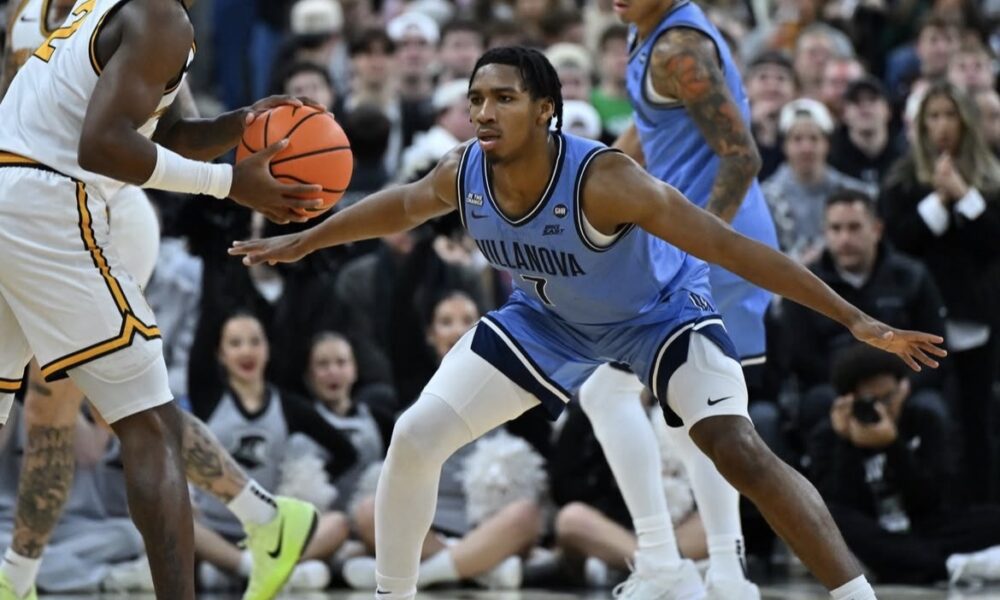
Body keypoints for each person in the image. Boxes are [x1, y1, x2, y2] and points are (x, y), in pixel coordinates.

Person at [231, 46, 946, 600]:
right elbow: (403, 204)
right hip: (549, 321)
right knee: (415, 436)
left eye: (503, 98)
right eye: (476, 98)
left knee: (735, 447)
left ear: (546, 109)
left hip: (661, 316)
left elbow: (731, 248)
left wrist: (857, 320)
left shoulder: (605, 180)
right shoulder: (463, 171)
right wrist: (308, 238)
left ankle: (852, 593)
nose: (484, 111)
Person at [0, 0, 329, 597]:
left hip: (19, 194)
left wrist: (244, 121)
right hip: (49, 202)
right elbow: (102, 146)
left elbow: (168, 133)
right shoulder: (159, 17)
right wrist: (229, 184)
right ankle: (260, 518)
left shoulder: (118, 10)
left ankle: (17, 577)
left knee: (102, 408)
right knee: (148, 419)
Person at [586, 0, 783, 594]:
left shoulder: (679, 49)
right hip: (697, 241)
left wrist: (702, 246)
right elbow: (650, 135)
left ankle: (664, 563)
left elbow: (742, 157)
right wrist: (588, 177)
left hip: (713, 241)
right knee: (693, 414)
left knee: (607, 391)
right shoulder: (646, 32)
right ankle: (724, 571)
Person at [880, 81, 1000, 503]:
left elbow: (993, 241)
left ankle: (984, 510)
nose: (943, 126)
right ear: (921, 125)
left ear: (966, 122)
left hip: (976, 318)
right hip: (918, 319)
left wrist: (964, 195)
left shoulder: (991, 179)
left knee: (977, 417)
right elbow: (900, 241)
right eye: (934, 116)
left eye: (951, 115)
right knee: (931, 415)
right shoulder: (902, 179)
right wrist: (938, 200)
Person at [808, 344, 1000, 585]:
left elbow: (935, 499)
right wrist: (846, 443)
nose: (882, 408)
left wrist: (893, 446)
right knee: (835, 521)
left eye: (888, 398)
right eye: (870, 401)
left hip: (923, 527)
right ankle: (943, 565)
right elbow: (838, 506)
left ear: (904, 389)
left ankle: (912, 564)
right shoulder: (829, 435)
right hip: (872, 530)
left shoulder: (924, 421)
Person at [781, 189, 948, 438]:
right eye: (836, 229)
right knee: (816, 404)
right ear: (824, 232)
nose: (845, 239)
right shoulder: (805, 286)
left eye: (854, 227)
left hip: (902, 388)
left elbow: (937, 349)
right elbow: (801, 358)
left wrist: (902, 388)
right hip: (835, 389)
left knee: (931, 408)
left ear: (876, 229)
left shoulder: (912, 277)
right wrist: (854, 390)